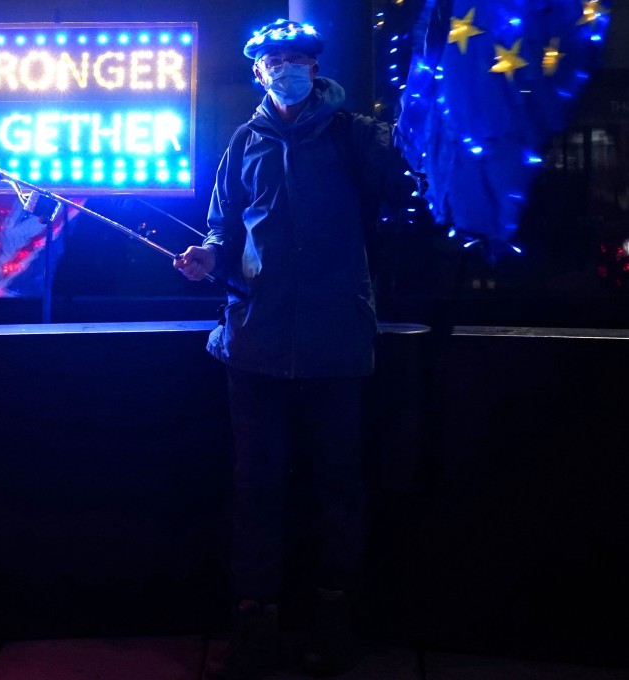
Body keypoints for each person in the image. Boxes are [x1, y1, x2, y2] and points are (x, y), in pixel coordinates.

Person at [175, 18, 421, 679]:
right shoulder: (244, 142)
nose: (284, 69)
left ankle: (338, 624)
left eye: (296, 59)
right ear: (257, 71)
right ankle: (256, 622)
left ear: (316, 68)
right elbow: (225, 229)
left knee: (339, 486)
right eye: (272, 60)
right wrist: (208, 256)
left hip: (335, 345)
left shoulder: (355, 136)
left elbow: (405, 192)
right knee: (257, 488)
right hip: (253, 347)